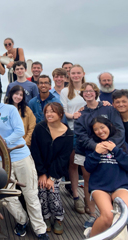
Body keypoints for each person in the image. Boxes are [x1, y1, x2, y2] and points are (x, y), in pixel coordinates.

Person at [0, 83, 49, 239]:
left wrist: (0, 141)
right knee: (7, 196)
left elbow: (20, 131)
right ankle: (22, 220)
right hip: (2, 161)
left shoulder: (10, 110)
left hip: (21, 156)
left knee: (30, 194)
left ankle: (40, 230)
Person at [74, 82, 125, 228]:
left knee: (112, 178)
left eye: (91, 91)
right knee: (88, 181)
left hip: (111, 150)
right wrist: (96, 147)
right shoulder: (81, 114)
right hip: (87, 151)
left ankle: (110, 213)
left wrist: (109, 146)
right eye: (85, 91)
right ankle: (92, 214)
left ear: (96, 92)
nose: (88, 93)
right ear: (82, 94)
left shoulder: (108, 108)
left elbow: (119, 129)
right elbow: (81, 136)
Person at [31, 102, 73, 235]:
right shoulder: (40, 128)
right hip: (41, 168)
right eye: (47, 111)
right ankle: (47, 217)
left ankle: (59, 218)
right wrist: (42, 173)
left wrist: (52, 176)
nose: (49, 114)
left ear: (60, 114)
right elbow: (35, 151)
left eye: (52, 111)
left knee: (53, 191)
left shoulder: (68, 134)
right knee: (42, 191)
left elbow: (63, 158)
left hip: (57, 170)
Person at [84, 117, 128, 237]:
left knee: (124, 213)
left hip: (120, 185)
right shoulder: (92, 146)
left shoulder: (122, 144)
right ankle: (92, 236)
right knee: (107, 217)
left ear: (109, 127)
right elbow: (88, 167)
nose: (100, 131)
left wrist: (115, 150)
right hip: (100, 186)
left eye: (102, 127)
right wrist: (96, 153)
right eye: (96, 129)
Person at [60, 64, 86, 214]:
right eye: (73, 73)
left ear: (83, 73)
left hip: (88, 130)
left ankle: (89, 198)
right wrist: (74, 115)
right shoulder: (65, 91)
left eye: (78, 73)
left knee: (87, 166)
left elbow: (97, 103)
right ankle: (76, 196)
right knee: (73, 163)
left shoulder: (88, 88)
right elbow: (63, 110)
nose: (75, 75)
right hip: (72, 129)